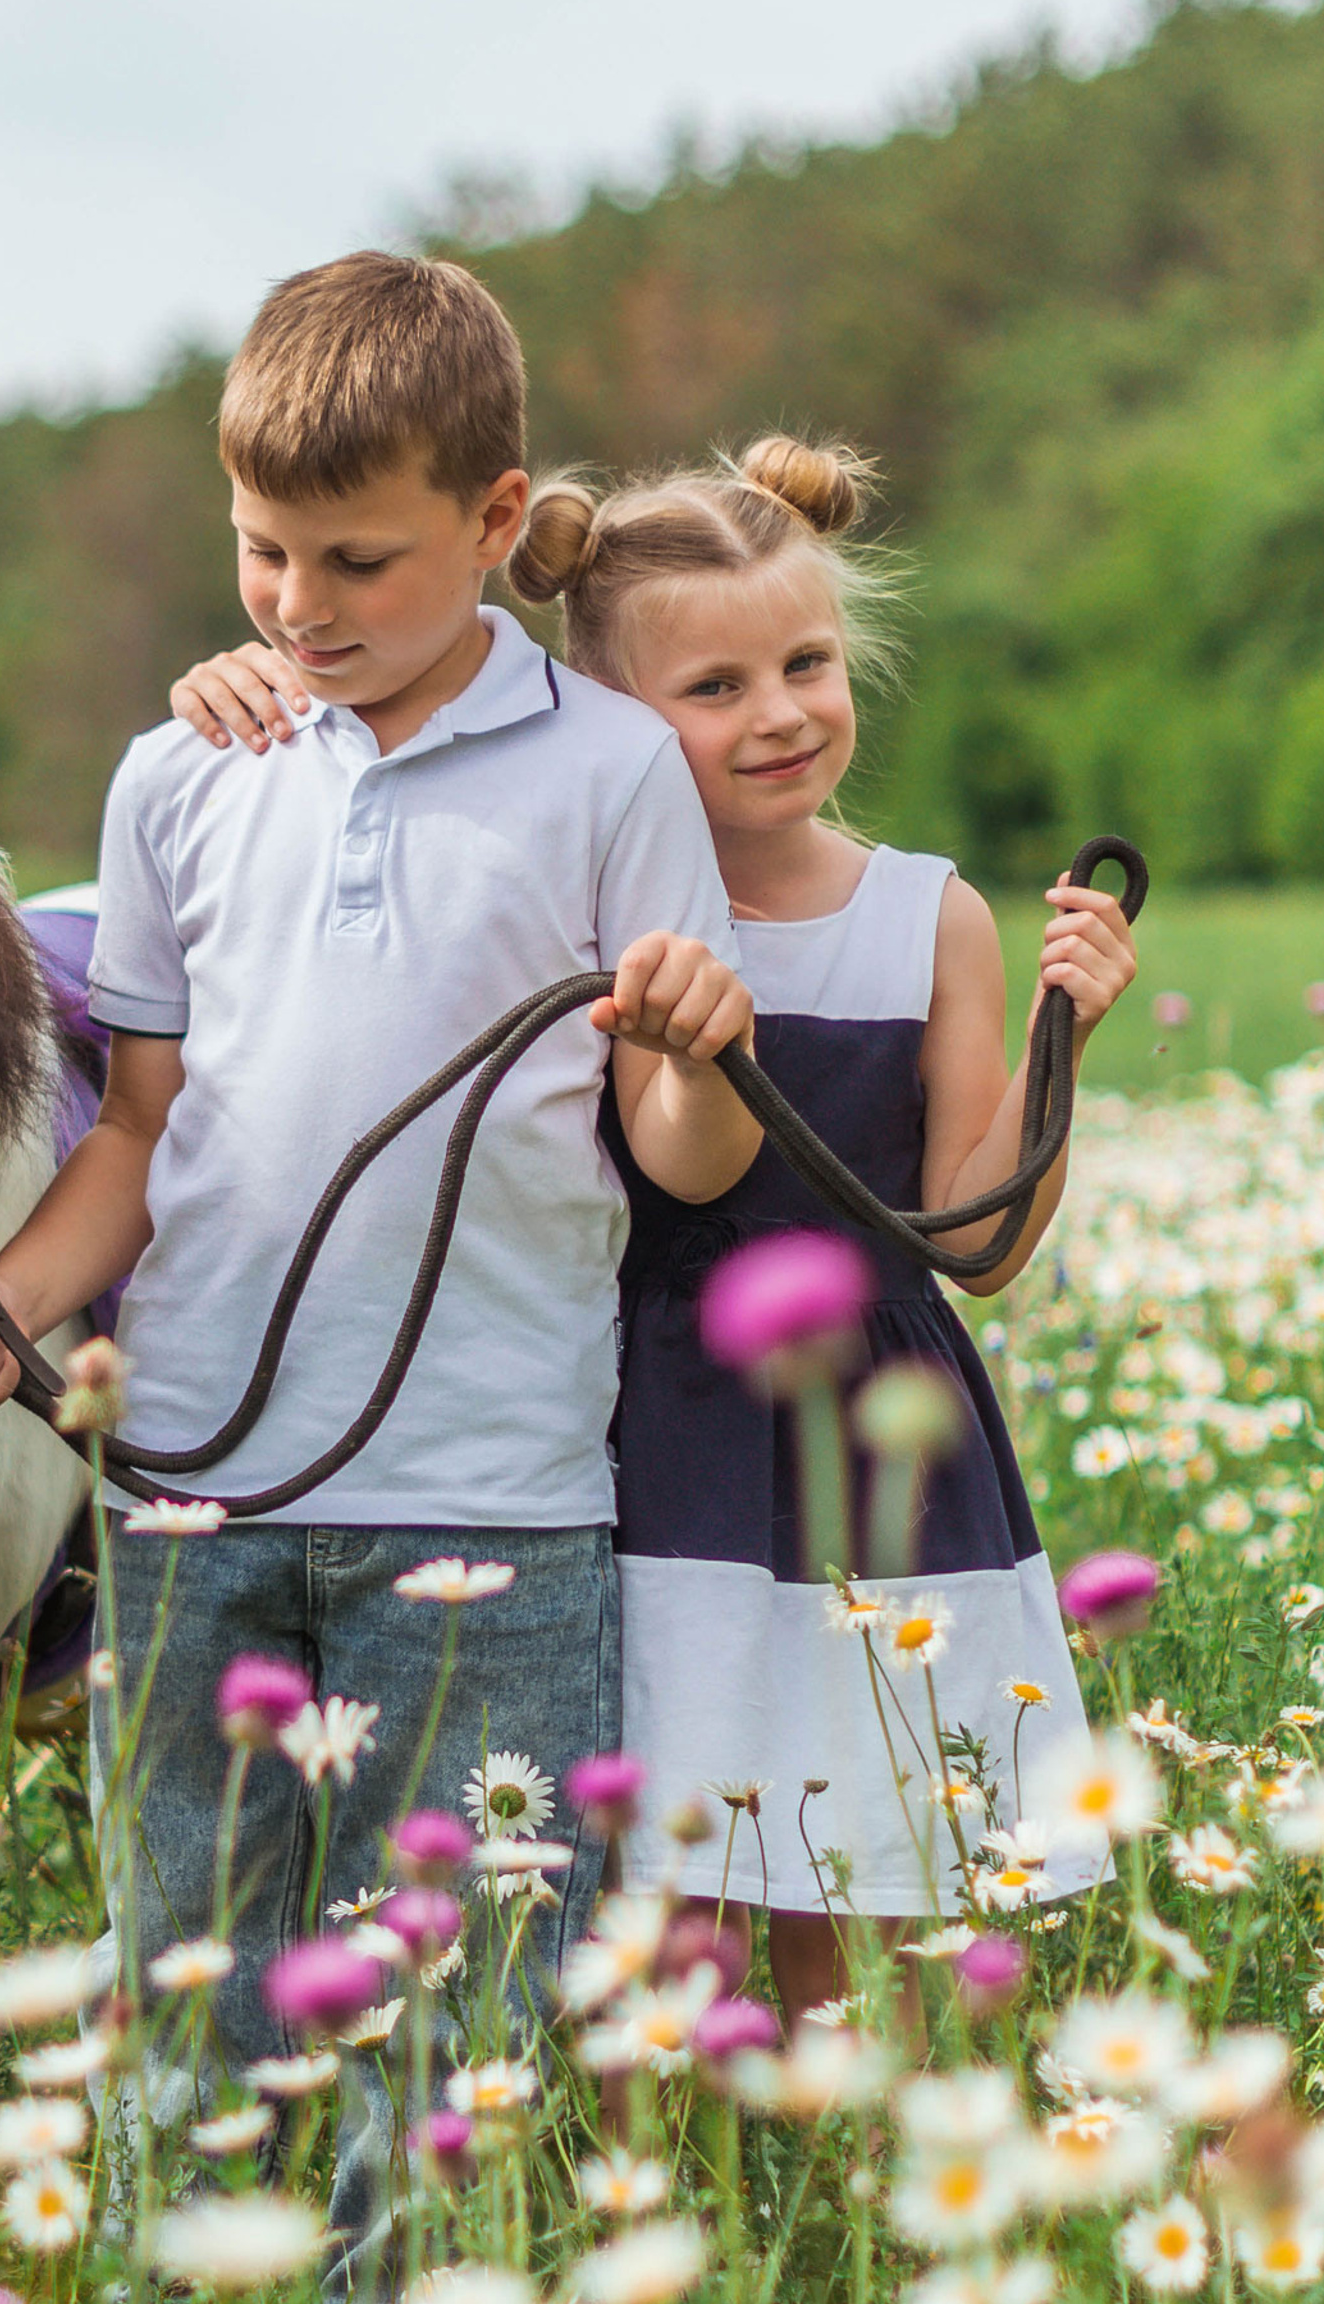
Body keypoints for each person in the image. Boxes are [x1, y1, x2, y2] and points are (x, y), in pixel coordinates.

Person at [0, 251, 759, 2263]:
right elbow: (135, 1128)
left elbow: (674, 1156)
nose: (297, 605)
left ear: (487, 521)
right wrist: (6, 1306)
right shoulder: (181, 772)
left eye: (356, 559)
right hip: (194, 1499)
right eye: (262, 552)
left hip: (493, 1509)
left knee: (460, 2052)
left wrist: (701, 1046)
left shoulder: (608, 769)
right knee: (178, 2007)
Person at [171, 434, 1139, 2026]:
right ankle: (661, 2179)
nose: (779, 714)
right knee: (659, 1850)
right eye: (715, 689)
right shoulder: (594, 892)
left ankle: (835, 2168)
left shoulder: (933, 914)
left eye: (807, 664)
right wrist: (249, 677)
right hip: (658, 1410)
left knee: (859, 1829)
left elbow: (984, 1238)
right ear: (616, 721)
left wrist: (1060, 1040)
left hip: (873, 1428)